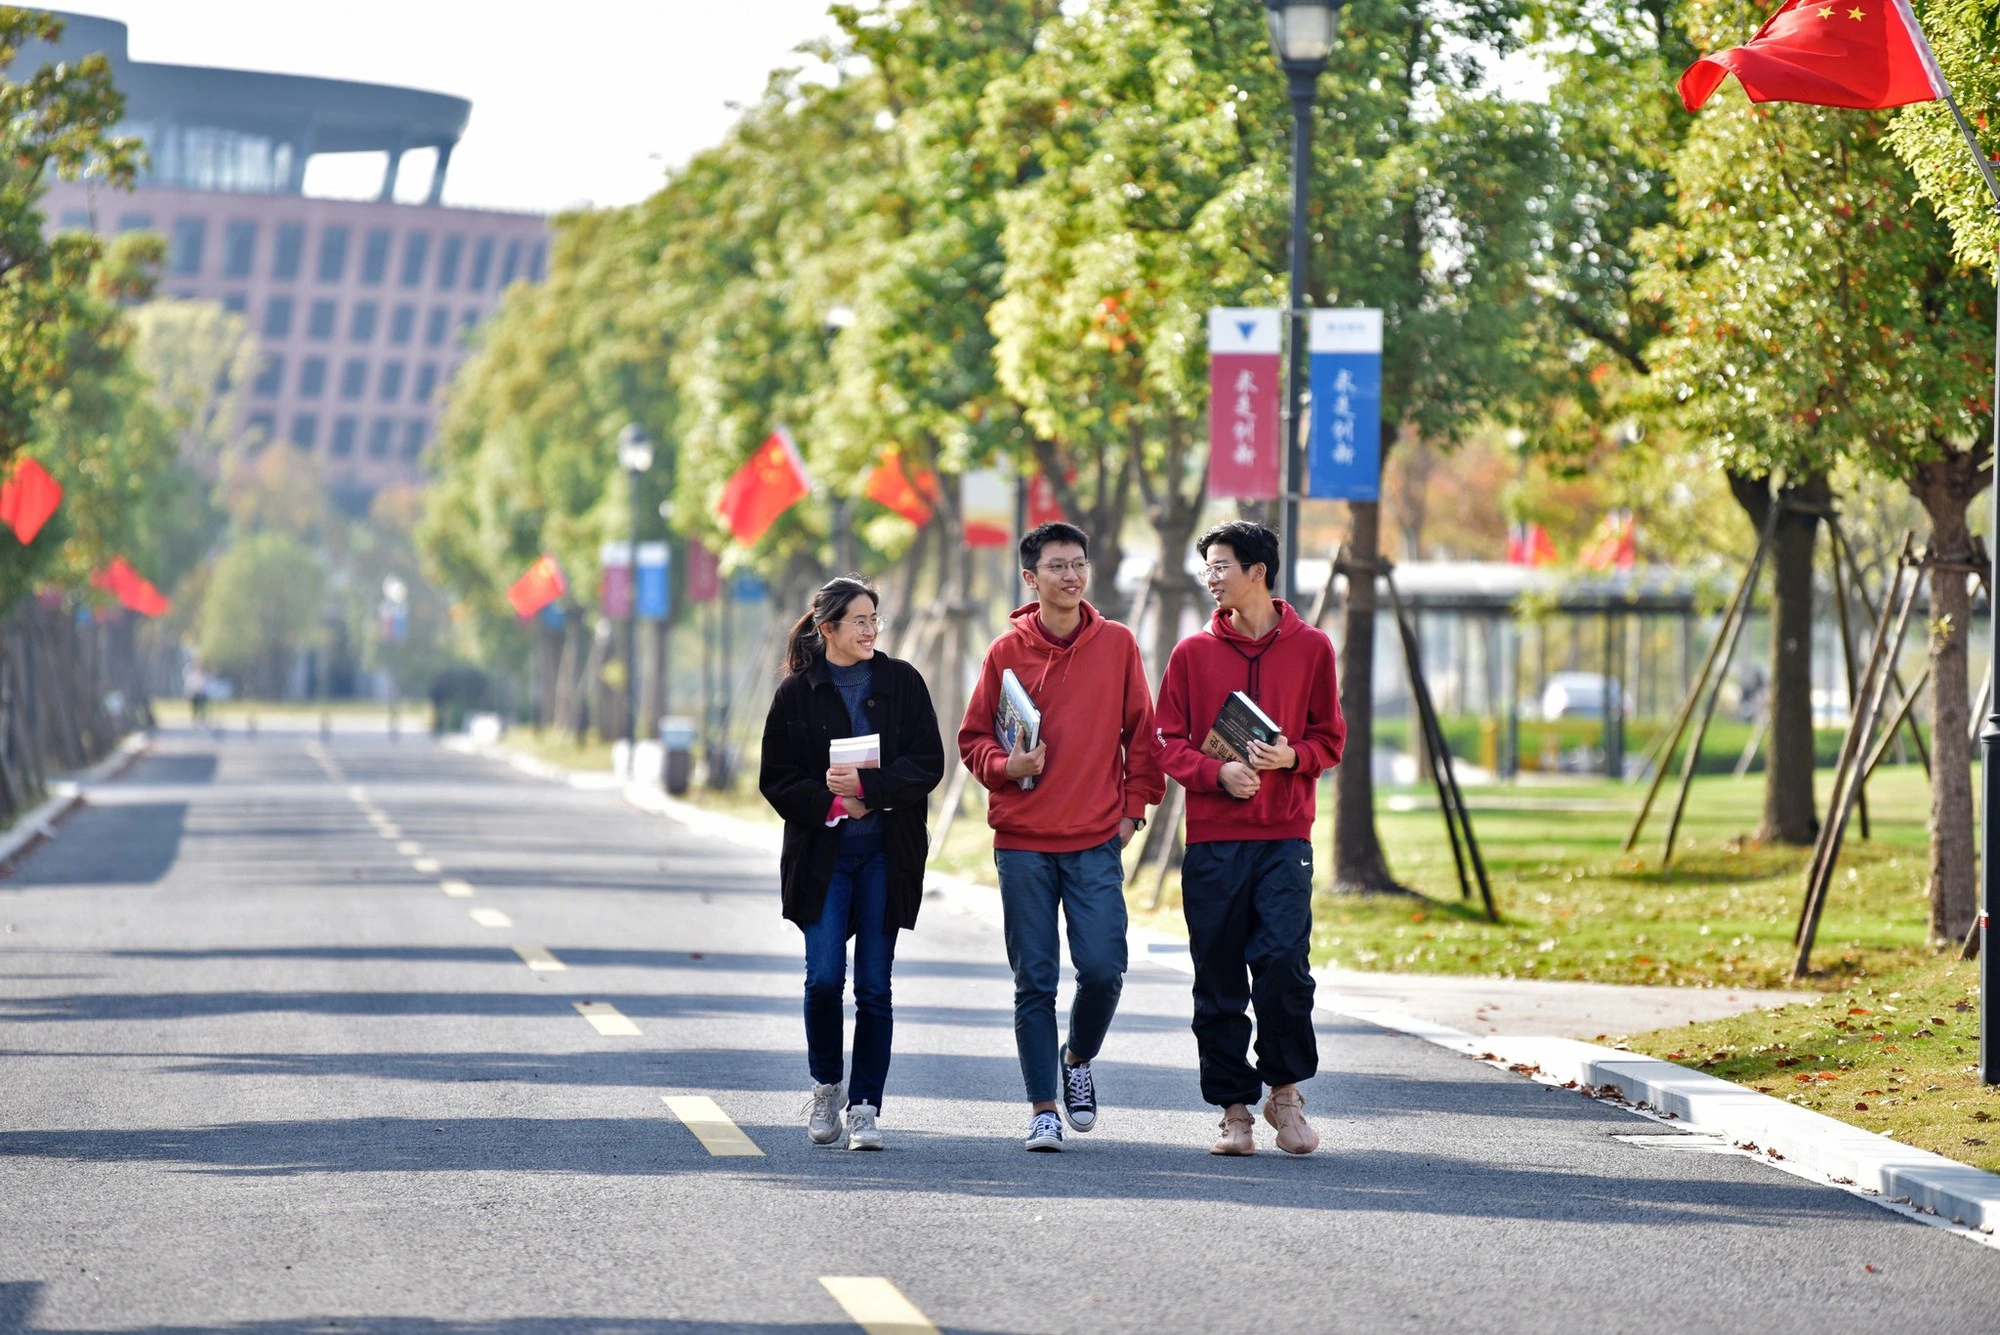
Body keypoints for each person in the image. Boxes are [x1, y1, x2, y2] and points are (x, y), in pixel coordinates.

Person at [958, 521, 1165, 1152]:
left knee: (1103, 968)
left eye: (1078, 564)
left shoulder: (1118, 644)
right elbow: (973, 738)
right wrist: (1006, 765)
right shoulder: (1005, 651)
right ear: (1031, 577)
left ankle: (1076, 1058)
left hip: (1095, 838)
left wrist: (1131, 813)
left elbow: (1142, 735)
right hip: (1022, 841)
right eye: (1056, 566)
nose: (1071, 576)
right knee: (1036, 981)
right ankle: (1042, 1109)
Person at [1154, 521, 1345, 1157]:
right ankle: (1234, 1110)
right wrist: (1216, 773)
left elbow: (1330, 739)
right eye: (1207, 567)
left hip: (1285, 836)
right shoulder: (1191, 653)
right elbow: (1166, 741)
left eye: (1220, 567)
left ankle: (1284, 1094)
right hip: (1214, 841)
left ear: (1257, 571)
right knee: (1218, 979)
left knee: (1285, 966)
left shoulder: (1312, 647)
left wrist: (1291, 757)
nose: (1211, 578)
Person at [759, 575, 943, 1151]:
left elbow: (928, 761)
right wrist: (835, 803)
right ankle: (826, 1086)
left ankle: (865, 1107)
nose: (870, 631)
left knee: (874, 988)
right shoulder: (797, 692)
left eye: (874, 620)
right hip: (823, 858)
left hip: (887, 854)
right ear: (828, 628)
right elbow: (776, 778)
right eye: (859, 621)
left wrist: (869, 789)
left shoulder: (902, 682)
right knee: (823, 980)